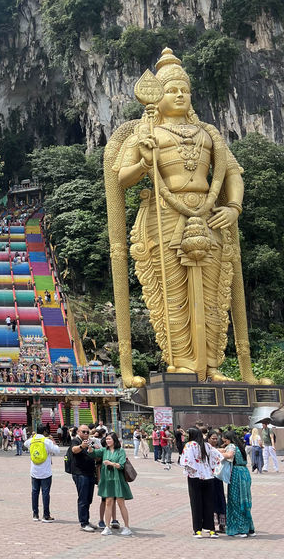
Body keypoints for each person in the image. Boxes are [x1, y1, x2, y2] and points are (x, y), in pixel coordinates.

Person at [109, 47, 263, 386]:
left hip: (209, 215)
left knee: (212, 293)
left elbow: (233, 173)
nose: (179, 95)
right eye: (171, 90)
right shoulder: (146, 133)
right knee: (171, 292)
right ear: (156, 96)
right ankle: (180, 362)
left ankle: (211, 364)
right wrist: (146, 160)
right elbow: (121, 177)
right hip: (163, 216)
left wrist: (233, 207)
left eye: (184, 90)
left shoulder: (209, 133)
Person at [180, 427, 223, 539]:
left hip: (195, 476)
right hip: (208, 476)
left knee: (196, 503)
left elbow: (187, 461)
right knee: (209, 503)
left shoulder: (190, 445)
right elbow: (218, 456)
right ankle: (211, 529)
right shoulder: (206, 445)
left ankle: (197, 530)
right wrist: (211, 468)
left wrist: (192, 469)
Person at [88, 432, 133, 536]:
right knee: (108, 502)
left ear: (114, 440)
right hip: (107, 480)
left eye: (109, 439)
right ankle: (107, 526)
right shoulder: (104, 450)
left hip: (118, 480)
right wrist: (89, 447)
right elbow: (93, 453)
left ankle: (127, 527)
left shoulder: (120, 451)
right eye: (107, 439)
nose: (108, 441)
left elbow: (121, 465)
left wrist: (110, 463)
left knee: (121, 503)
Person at [221, 430, 255, 537]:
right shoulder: (240, 446)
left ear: (228, 438)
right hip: (245, 473)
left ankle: (240, 529)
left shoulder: (231, 446)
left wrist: (216, 454)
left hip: (236, 474)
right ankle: (249, 528)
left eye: (224, 439)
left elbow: (229, 454)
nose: (223, 441)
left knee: (235, 501)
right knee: (244, 500)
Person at [24, 425, 60, 522]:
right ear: (44, 432)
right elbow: (57, 451)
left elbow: (25, 443)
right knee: (45, 493)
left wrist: (32, 436)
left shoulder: (31, 440)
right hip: (45, 472)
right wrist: (53, 441)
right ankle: (46, 515)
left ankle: (35, 514)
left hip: (34, 471)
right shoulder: (46, 441)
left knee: (35, 492)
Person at [69, 424, 98, 532]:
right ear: (78, 432)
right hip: (80, 474)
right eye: (83, 432)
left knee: (88, 498)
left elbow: (94, 452)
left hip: (90, 473)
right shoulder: (76, 440)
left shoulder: (90, 441)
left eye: (87, 432)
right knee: (83, 498)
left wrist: (94, 448)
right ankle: (83, 523)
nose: (86, 434)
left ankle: (86, 519)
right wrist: (82, 446)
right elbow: (74, 450)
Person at [207, 431, 227, 533]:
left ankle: (222, 524)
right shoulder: (206, 449)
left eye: (216, 439)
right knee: (211, 499)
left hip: (217, 477)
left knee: (220, 498)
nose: (214, 440)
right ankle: (211, 524)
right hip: (208, 477)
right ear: (208, 438)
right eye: (213, 438)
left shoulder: (217, 449)